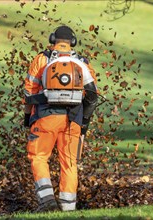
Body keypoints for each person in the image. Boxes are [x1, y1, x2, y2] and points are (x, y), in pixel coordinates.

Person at [23, 25, 98, 212]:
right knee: (70, 162)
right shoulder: (82, 63)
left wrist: (27, 118)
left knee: (39, 156)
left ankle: (47, 200)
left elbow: (28, 93)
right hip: (73, 119)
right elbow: (93, 96)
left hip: (45, 117)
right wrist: (84, 123)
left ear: (52, 40)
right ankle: (68, 208)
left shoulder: (42, 59)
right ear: (73, 42)